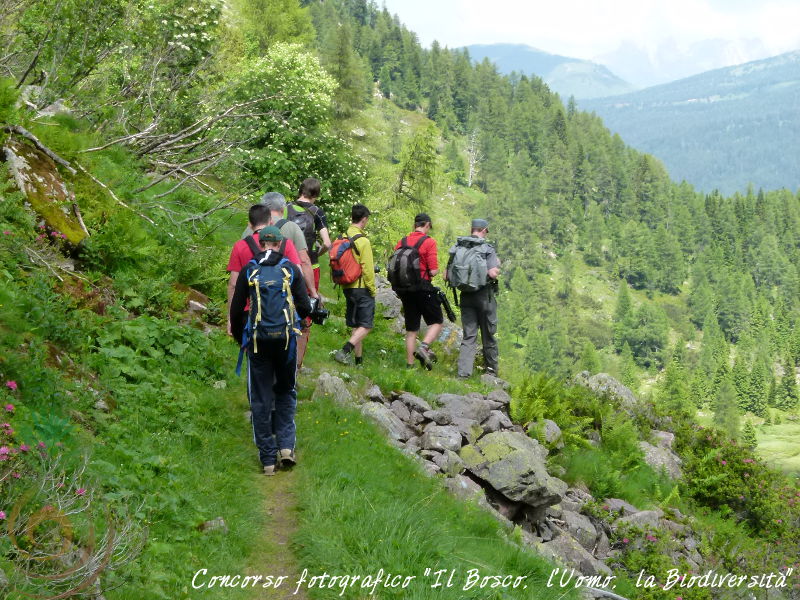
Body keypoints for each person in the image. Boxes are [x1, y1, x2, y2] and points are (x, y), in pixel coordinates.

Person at [230, 226, 312, 476]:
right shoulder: (290, 269)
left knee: (261, 397)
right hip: (286, 342)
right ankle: (286, 447)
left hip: (258, 342)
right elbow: (305, 307)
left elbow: (236, 308)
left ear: (262, 243)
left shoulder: (250, 269)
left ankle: (267, 459)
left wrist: (238, 335)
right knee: (286, 390)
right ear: (280, 244)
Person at [260, 192, 321, 367]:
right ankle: (292, 369)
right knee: (297, 328)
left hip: (258, 294)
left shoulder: (252, 229)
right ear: (282, 208)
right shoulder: (292, 228)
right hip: (285, 296)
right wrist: (312, 292)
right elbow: (304, 261)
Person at [227, 204, 301, 336]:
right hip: (281, 315)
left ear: (250, 224)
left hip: (251, 314)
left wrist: (231, 320)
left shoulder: (240, 246)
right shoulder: (284, 243)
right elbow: (298, 276)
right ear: (271, 222)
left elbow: (233, 285)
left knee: (254, 351)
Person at [448, 218, 501, 378]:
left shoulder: (458, 247)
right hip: (484, 297)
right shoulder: (487, 249)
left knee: (469, 336)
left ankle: (463, 375)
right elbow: (492, 273)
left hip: (465, 297)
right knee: (488, 335)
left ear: (472, 229)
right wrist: (497, 265)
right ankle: (491, 373)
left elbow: (446, 275)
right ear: (484, 230)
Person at [392, 213, 443, 369]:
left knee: (411, 329)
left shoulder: (402, 241)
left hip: (405, 289)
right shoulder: (429, 242)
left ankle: (409, 366)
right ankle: (424, 347)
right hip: (423, 287)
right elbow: (433, 271)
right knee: (437, 322)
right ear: (426, 225)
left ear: (415, 225)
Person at [333, 204, 375, 366]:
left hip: (347, 287)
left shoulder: (342, 236)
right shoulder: (363, 241)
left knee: (356, 325)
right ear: (364, 219)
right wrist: (372, 289)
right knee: (366, 325)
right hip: (361, 287)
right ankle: (345, 350)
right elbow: (368, 269)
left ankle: (358, 361)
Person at [292, 178, 332, 292]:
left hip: (288, 263)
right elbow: (327, 243)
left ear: (301, 191)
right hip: (311, 265)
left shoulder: (286, 207)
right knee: (310, 302)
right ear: (315, 194)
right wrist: (317, 254)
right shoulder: (317, 212)